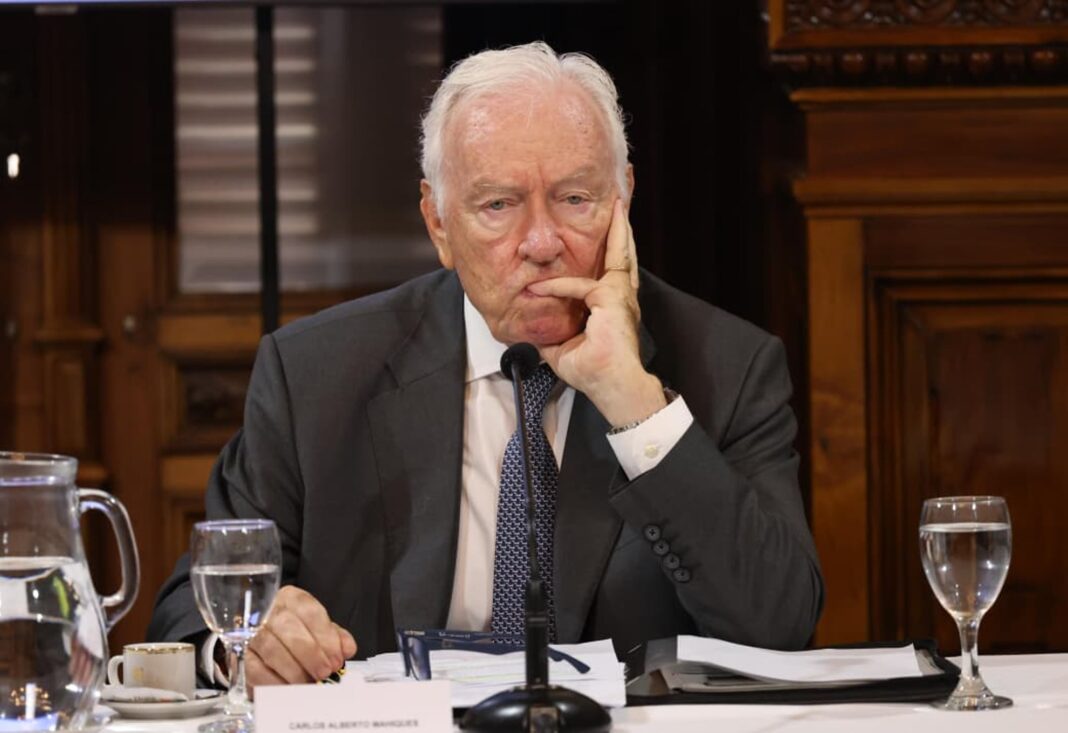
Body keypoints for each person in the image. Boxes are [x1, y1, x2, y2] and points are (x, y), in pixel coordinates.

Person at [148, 41, 823, 689]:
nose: (541, 242)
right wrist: (243, 645)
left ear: (624, 200)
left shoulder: (728, 368)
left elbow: (780, 625)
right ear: (438, 224)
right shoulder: (317, 375)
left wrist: (634, 401)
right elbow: (190, 611)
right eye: (498, 205)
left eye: (575, 199)